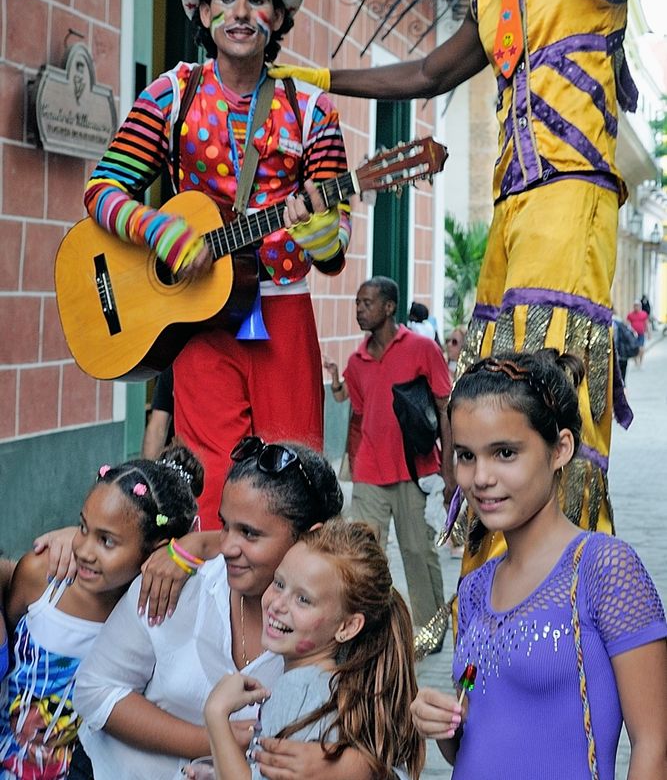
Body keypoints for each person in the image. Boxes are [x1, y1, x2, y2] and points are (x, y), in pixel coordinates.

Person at [269, 0, 667, 568]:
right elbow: (423, 73)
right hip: (510, 215)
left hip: (572, 198)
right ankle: (505, 567)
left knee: (552, 376)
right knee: (496, 389)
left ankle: (572, 569)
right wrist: (313, 77)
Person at [84, 0, 351, 529]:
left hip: (282, 310)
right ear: (203, 13)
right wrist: (161, 231)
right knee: (208, 491)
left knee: (294, 489)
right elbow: (101, 191)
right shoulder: (171, 94)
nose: (240, 10)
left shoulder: (313, 110)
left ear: (278, 17)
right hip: (200, 315)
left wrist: (322, 235)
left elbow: (333, 253)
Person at [410, 350, 667, 779]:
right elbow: (472, 739)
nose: (480, 478)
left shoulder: (605, 570)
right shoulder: (475, 588)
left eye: (505, 453)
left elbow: (654, 747)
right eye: (467, 456)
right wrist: (441, 723)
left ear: (560, 449)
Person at [73, 442, 375, 780]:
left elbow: (389, 755)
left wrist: (352, 767)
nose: (227, 547)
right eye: (224, 526)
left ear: (311, 537)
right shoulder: (179, 581)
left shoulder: (337, 627)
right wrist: (214, 738)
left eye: (249, 533)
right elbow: (94, 689)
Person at [0, 444, 203, 779]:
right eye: (82, 528)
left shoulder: (155, 610)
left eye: (106, 541)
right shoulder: (42, 576)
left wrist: (194, 546)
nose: (84, 551)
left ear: (156, 552)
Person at [201, 519, 424, 780]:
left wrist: (216, 714)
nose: (278, 605)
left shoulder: (299, 690)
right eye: (279, 583)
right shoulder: (346, 688)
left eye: (303, 600)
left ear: (348, 626)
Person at [331, 277, 451, 647]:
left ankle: (430, 631)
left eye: (367, 303)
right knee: (365, 554)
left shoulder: (421, 348)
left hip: (412, 469)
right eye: (356, 303)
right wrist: (351, 463)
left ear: (388, 307)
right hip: (368, 471)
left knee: (418, 551)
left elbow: (444, 407)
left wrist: (450, 468)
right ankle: (369, 634)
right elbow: (356, 413)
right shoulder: (357, 360)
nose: (359, 310)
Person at [141, 367, 175, 460]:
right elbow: (157, 428)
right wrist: (148, 469)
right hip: (187, 462)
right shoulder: (174, 367)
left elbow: (157, 427)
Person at [626, 300, 650, 366]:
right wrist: (630, 331)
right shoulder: (630, 315)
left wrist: (649, 333)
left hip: (641, 334)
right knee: (634, 348)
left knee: (641, 348)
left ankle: (641, 361)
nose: (636, 307)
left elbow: (647, 324)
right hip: (633, 334)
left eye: (637, 305)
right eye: (635, 306)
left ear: (640, 306)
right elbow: (628, 324)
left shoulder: (644, 314)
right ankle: (636, 362)